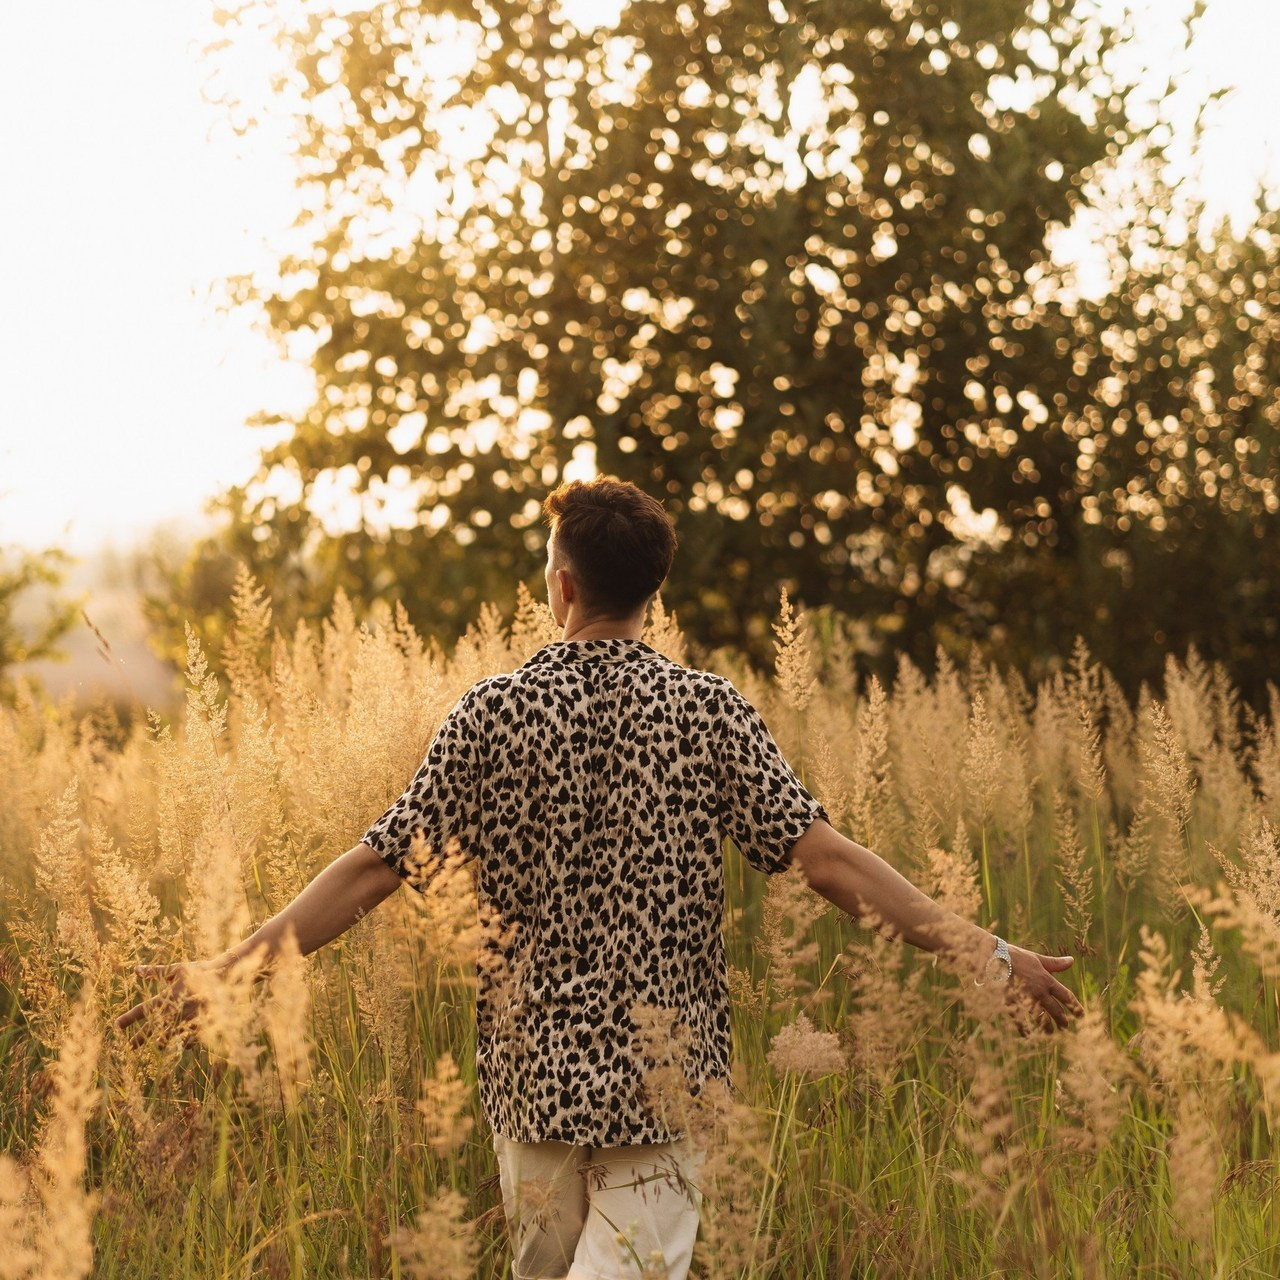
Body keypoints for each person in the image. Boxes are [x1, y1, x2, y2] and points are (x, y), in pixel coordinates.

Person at [117, 477, 1082, 1280]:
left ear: (563, 585)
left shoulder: (491, 713)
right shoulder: (708, 710)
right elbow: (827, 861)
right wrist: (989, 953)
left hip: (532, 1083)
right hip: (669, 1083)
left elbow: (375, 869)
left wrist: (232, 968)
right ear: (650, 590)